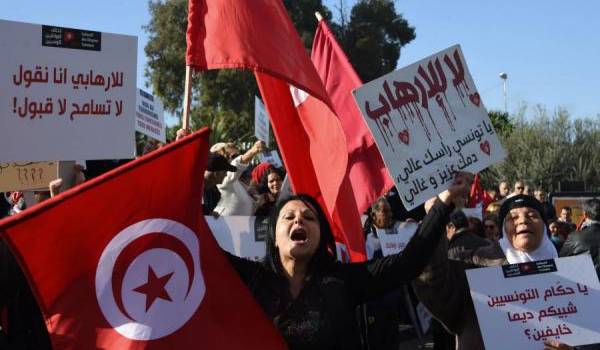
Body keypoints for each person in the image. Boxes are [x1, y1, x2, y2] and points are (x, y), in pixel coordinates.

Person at [224, 173, 471, 350]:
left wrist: (442, 203)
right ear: (273, 237)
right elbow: (200, 249)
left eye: (309, 218)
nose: (299, 221)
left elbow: (408, 263)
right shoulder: (251, 279)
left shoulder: (343, 281)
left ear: (320, 236)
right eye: (289, 217)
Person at [413, 195, 559, 350]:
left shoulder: (569, 273)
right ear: (503, 229)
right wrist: (434, 223)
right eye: (513, 217)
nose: (523, 220)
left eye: (532, 215)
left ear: (544, 226)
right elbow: (435, 286)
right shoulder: (474, 264)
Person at [212, 140, 265, 216]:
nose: (236, 159)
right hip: (223, 226)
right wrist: (253, 150)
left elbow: (246, 208)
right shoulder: (220, 180)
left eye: (237, 156)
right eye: (233, 157)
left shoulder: (238, 183)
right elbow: (235, 166)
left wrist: (259, 201)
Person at [560, 199, 600, 280]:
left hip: (585, 285)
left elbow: (561, 262)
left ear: (584, 215)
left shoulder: (574, 237)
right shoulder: (574, 236)